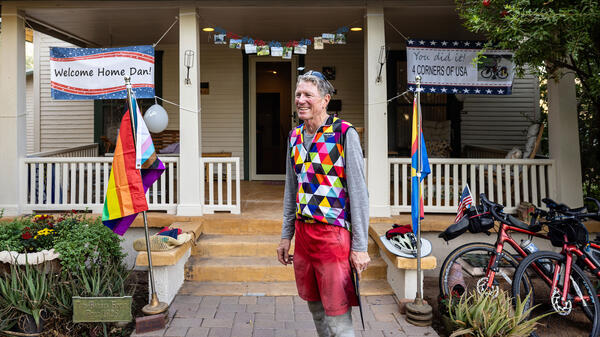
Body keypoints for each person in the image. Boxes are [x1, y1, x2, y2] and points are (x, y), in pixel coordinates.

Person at [277, 70, 370, 337]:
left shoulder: (344, 133)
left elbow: (359, 194)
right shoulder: (294, 137)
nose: (301, 100)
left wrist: (360, 247)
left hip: (333, 236)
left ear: (325, 99)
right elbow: (291, 191)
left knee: (338, 315)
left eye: (308, 95)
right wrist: (286, 236)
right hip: (304, 236)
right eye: (298, 94)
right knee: (316, 308)